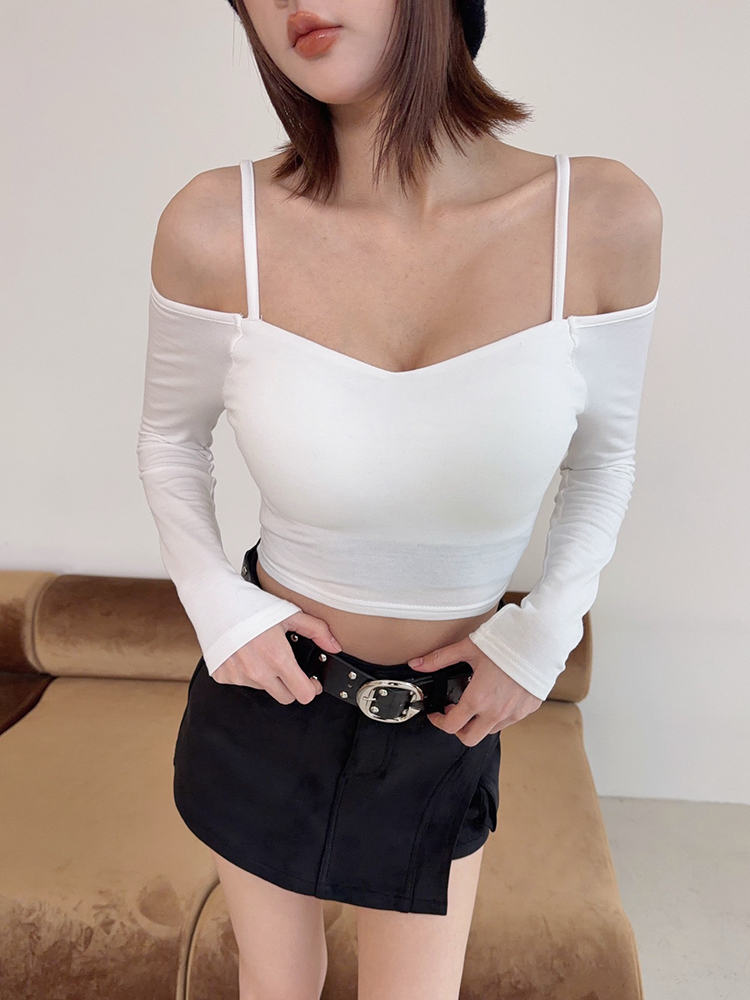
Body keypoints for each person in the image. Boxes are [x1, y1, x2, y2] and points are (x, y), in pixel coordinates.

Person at [136, 1, 662, 998]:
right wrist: (219, 607)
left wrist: (543, 633)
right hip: (269, 698)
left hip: (444, 716)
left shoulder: (598, 217)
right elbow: (169, 439)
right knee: (274, 983)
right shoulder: (214, 224)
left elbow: (606, 456)